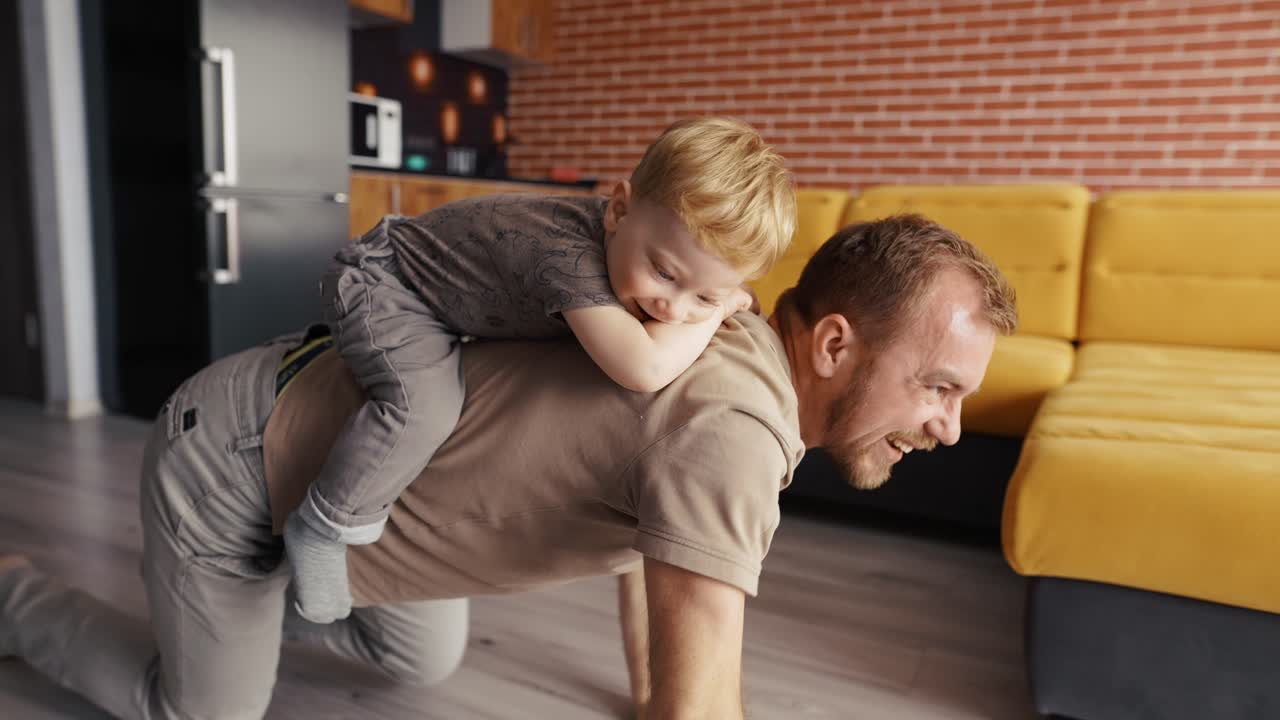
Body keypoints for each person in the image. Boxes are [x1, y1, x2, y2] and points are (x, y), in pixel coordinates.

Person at [0, 214, 1016, 720]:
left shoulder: (730, 366)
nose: (948, 427)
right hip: (230, 457)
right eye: (936, 386)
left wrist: (644, 694)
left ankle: (274, 579)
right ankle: (14, 597)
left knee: (424, 660)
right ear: (831, 345)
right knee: (201, 713)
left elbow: (645, 557)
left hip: (347, 488)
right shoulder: (732, 429)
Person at [289, 117, 796, 625]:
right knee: (422, 406)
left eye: (703, 295)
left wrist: (718, 296)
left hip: (445, 301)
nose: (671, 308)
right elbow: (644, 366)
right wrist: (719, 307)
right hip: (385, 283)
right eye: (664, 272)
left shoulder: (637, 258)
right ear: (618, 210)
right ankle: (326, 523)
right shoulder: (567, 258)